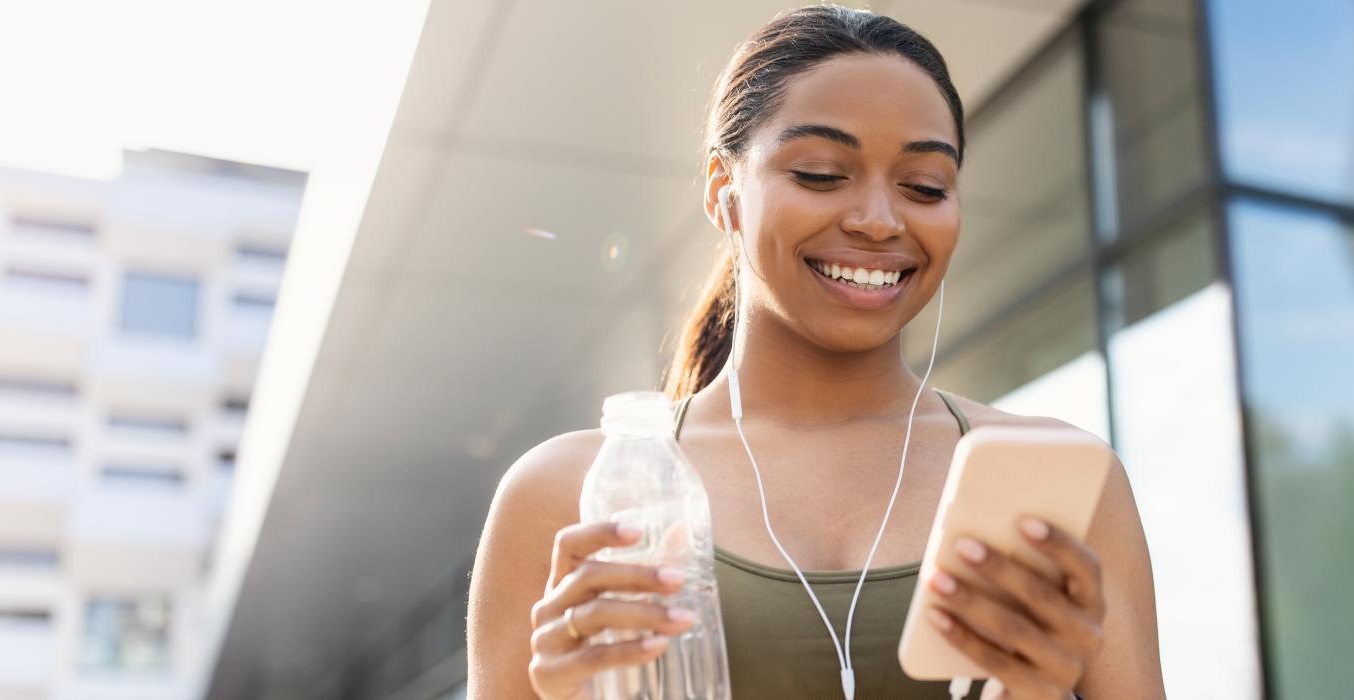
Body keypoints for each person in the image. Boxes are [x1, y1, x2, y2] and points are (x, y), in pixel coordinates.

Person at [466, 5, 1163, 698]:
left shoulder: (1068, 489)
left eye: (925, 186)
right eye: (823, 174)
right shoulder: (574, 493)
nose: (878, 221)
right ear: (722, 191)